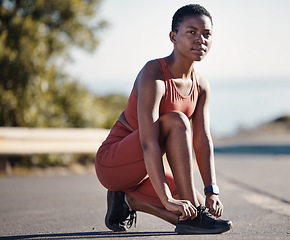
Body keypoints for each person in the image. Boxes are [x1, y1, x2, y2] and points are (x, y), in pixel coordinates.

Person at [95, 4, 232, 234]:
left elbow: (203, 140)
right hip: (115, 163)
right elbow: (148, 143)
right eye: (191, 32)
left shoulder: (201, 85)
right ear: (173, 36)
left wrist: (211, 191)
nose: (200, 39)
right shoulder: (154, 73)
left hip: (146, 171)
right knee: (177, 120)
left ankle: (128, 202)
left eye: (206, 34)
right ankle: (191, 215)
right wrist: (167, 197)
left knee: (192, 212)